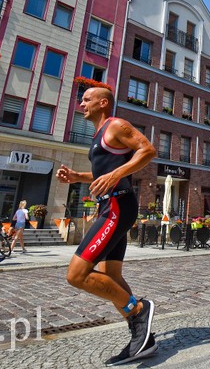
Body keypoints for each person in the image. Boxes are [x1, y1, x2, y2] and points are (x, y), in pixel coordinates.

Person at [56, 87, 158, 366]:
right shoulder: (98, 135)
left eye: (86, 99)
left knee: (77, 274)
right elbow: (103, 172)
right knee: (110, 275)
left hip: (117, 206)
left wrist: (116, 173)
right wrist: (78, 176)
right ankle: (144, 339)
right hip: (109, 205)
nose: (81, 103)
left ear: (103, 103)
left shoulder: (116, 125)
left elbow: (147, 150)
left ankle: (138, 310)